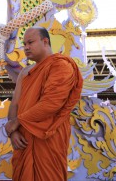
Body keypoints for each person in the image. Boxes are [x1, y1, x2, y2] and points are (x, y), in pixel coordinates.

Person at [5, 27, 83, 181]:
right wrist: (14, 132)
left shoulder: (61, 66)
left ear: (45, 41)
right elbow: (15, 104)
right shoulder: (25, 72)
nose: (26, 47)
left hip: (48, 137)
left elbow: (51, 104)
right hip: (23, 140)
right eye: (24, 43)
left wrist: (17, 122)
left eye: (30, 42)